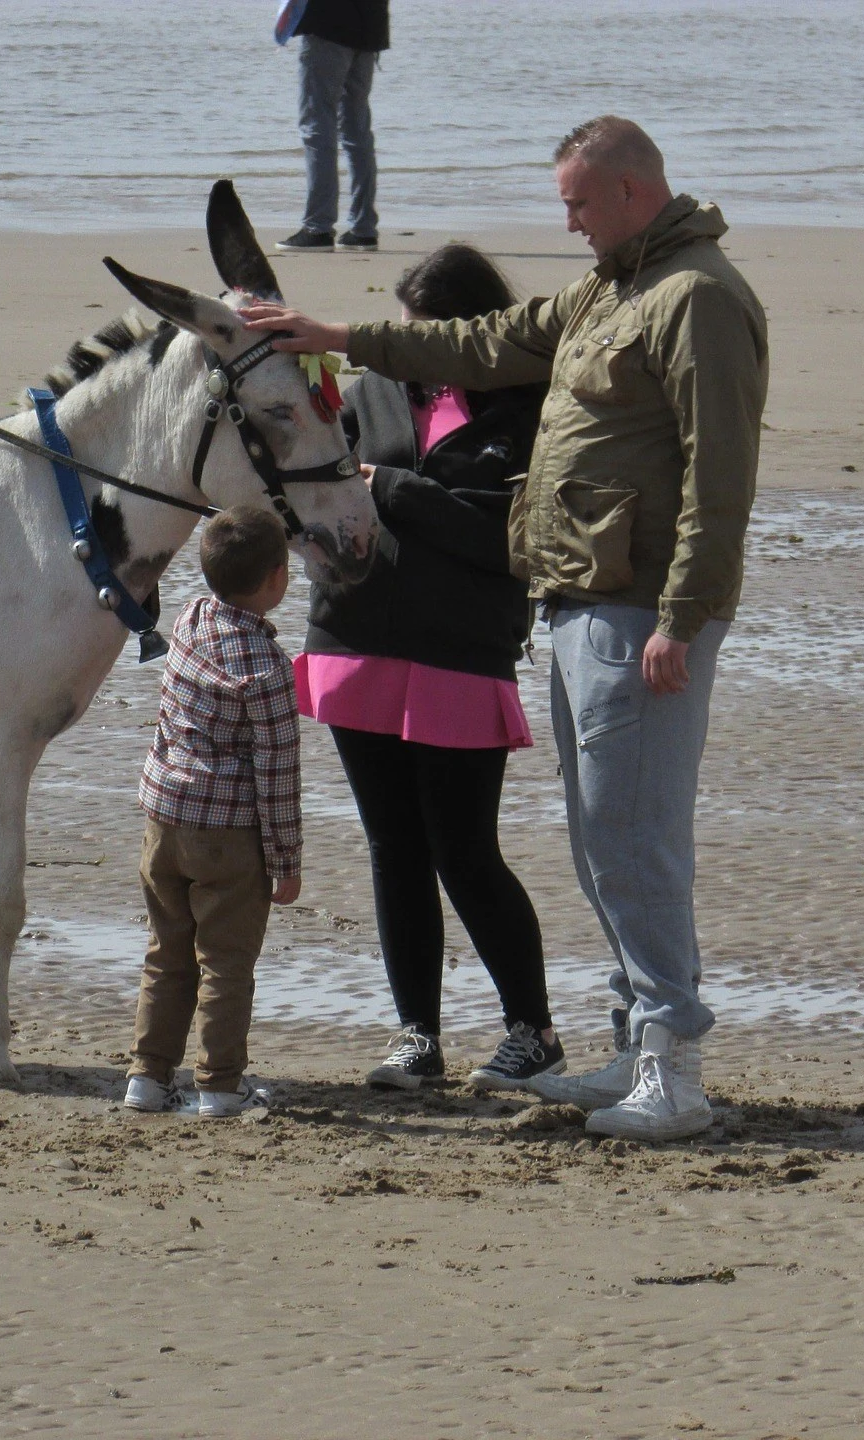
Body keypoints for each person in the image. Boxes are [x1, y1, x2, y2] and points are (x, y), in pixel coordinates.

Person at [241, 116, 768, 1143]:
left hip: (641, 607)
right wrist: (339, 339)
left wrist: (684, 614)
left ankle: (674, 1070)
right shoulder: (609, 286)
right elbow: (478, 341)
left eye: (576, 201)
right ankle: (632, 1045)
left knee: (634, 840)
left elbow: (721, 474)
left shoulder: (696, 295)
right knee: (597, 839)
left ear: (627, 189)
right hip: (579, 597)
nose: (566, 221)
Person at [294, 243, 561, 1093]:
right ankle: (418, 1036)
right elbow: (311, 491)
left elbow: (508, 541)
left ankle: (532, 1029)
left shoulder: (529, 409)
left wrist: (394, 489)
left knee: (465, 851)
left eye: (425, 336)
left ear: (472, 334)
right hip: (355, 637)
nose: (409, 350)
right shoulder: (365, 391)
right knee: (392, 848)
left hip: (460, 649)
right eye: (402, 334)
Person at [125, 506, 303, 1120]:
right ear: (278, 579)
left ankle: (147, 1077)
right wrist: (286, 862)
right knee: (225, 963)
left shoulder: (191, 619)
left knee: (166, 951)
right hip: (228, 833)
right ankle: (220, 1086)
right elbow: (277, 774)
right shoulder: (269, 668)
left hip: (163, 818)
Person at [275, 0, 390, 253]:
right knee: (356, 130)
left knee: (318, 127)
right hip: (369, 26)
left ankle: (319, 227)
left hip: (329, 25)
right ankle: (363, 228)